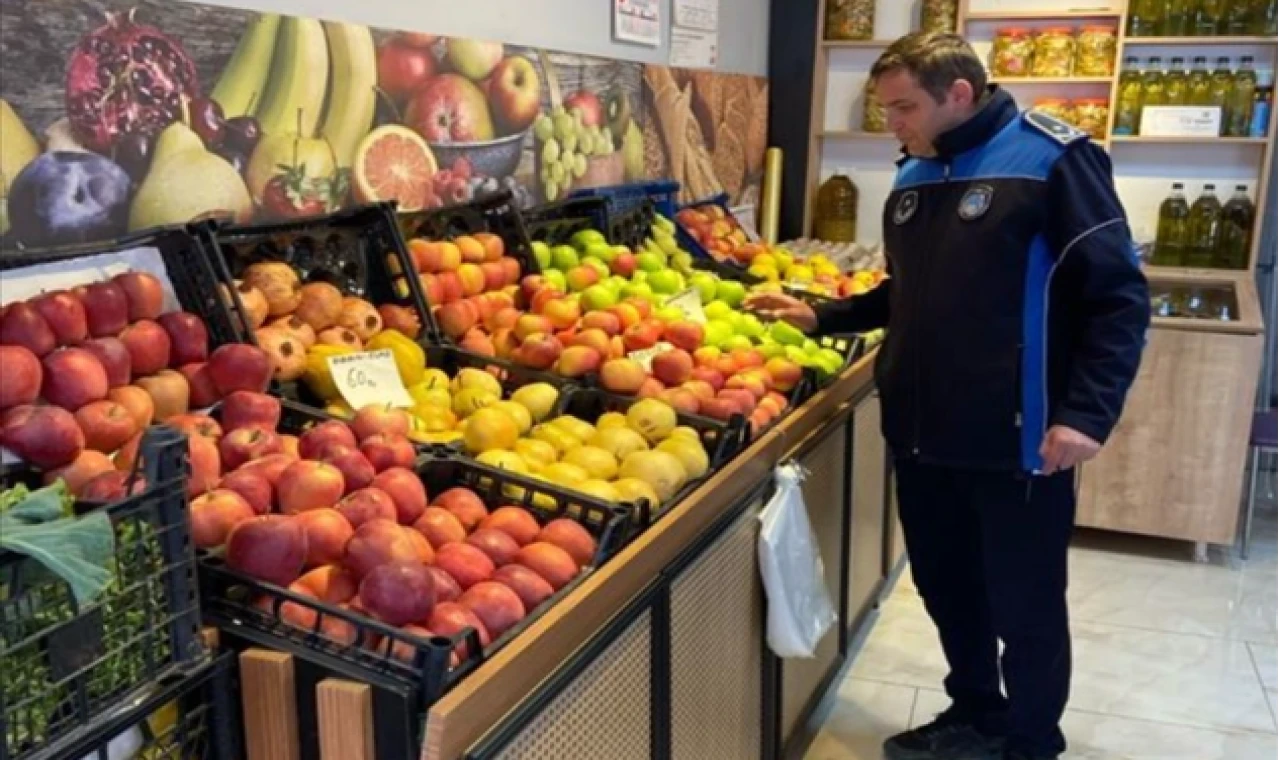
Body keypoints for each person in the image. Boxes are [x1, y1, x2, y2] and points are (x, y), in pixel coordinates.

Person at [746, 32, 1149, 760]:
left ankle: (1029, 741)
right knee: (946, 587)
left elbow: (1117, 296)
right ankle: (975, 712)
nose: (891, 123)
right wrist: (824, 313)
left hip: (1019, 436)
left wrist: (1086, 415)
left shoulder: (1053, 158)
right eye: (886, 108)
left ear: (958, 94)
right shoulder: (913, 175)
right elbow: (910, 291)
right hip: (922, 432)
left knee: (1023, 605)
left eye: (904, 108)